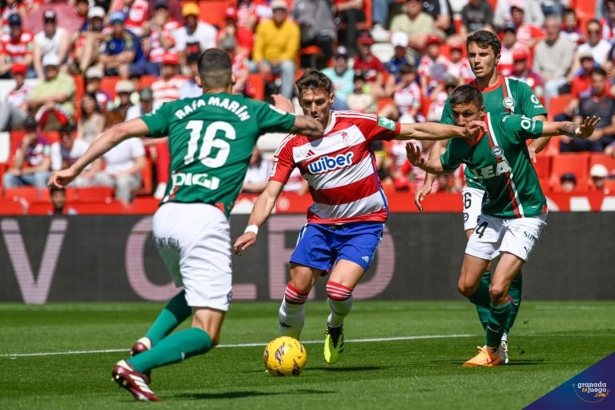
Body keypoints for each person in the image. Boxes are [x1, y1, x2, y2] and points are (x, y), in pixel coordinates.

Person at [47, 48, 325, 402]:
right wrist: (286, 112)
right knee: (208, 330)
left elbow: (120, 130)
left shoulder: (175, 109)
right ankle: (137, 365)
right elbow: (314, 128)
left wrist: (74, 169)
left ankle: (146, 342)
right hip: (204, 217)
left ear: (197, 81)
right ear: (234, 79)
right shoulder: (253, 110)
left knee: (192, 290)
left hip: (165, 216)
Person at [233, 70, 484, 365]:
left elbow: (414, 130)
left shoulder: (359, 123)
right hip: (322, 225)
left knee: (337, 292)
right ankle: (286, 349)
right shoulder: (292, 144)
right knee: (296, 288)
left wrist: (459, 131)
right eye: (306, 102)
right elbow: (269, 193)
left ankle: (335, 327)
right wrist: (252, 228)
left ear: (330, 99)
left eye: (318, 101)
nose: (313, 108)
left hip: (364, 223)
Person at [406, 84, 599, 366]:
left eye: (468, 114)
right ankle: (503, 308)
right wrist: (421, 164)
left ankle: (492, 350)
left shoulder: (505, 124)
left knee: (497, 288)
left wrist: (578, 131)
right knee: (467, 285)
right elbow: (444, 167)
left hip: (527, 213)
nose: (462, 122)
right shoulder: (460, 141)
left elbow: (552, 125)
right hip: (492, 214)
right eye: (457, 115)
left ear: (482, 111)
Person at [417, 30, 548, 365]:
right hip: (475, 183)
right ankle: (494, 326)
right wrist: (429, 179)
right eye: (472, 55)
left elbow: (540, 125)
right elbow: (443, 138)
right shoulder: (463, 97)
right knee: (475, 261)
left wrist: (531, 150)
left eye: (482, 55)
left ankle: (497, 339)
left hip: (509, 180)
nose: (476, 61)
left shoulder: (515, 90)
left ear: (496, 56)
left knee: (502, 273)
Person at [3, 116, 51, 193]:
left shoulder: (46, 143)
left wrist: (23, 172)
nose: (31, 132)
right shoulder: (22, 144)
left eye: (33, 128)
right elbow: (16, 167)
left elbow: (45, 167)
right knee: (8, 177)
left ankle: (42, 201)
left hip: (43, 175)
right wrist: (24, 147)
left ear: (38, 129)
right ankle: (13, 202)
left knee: (39, 176)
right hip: (28, 176)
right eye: (29, 129)